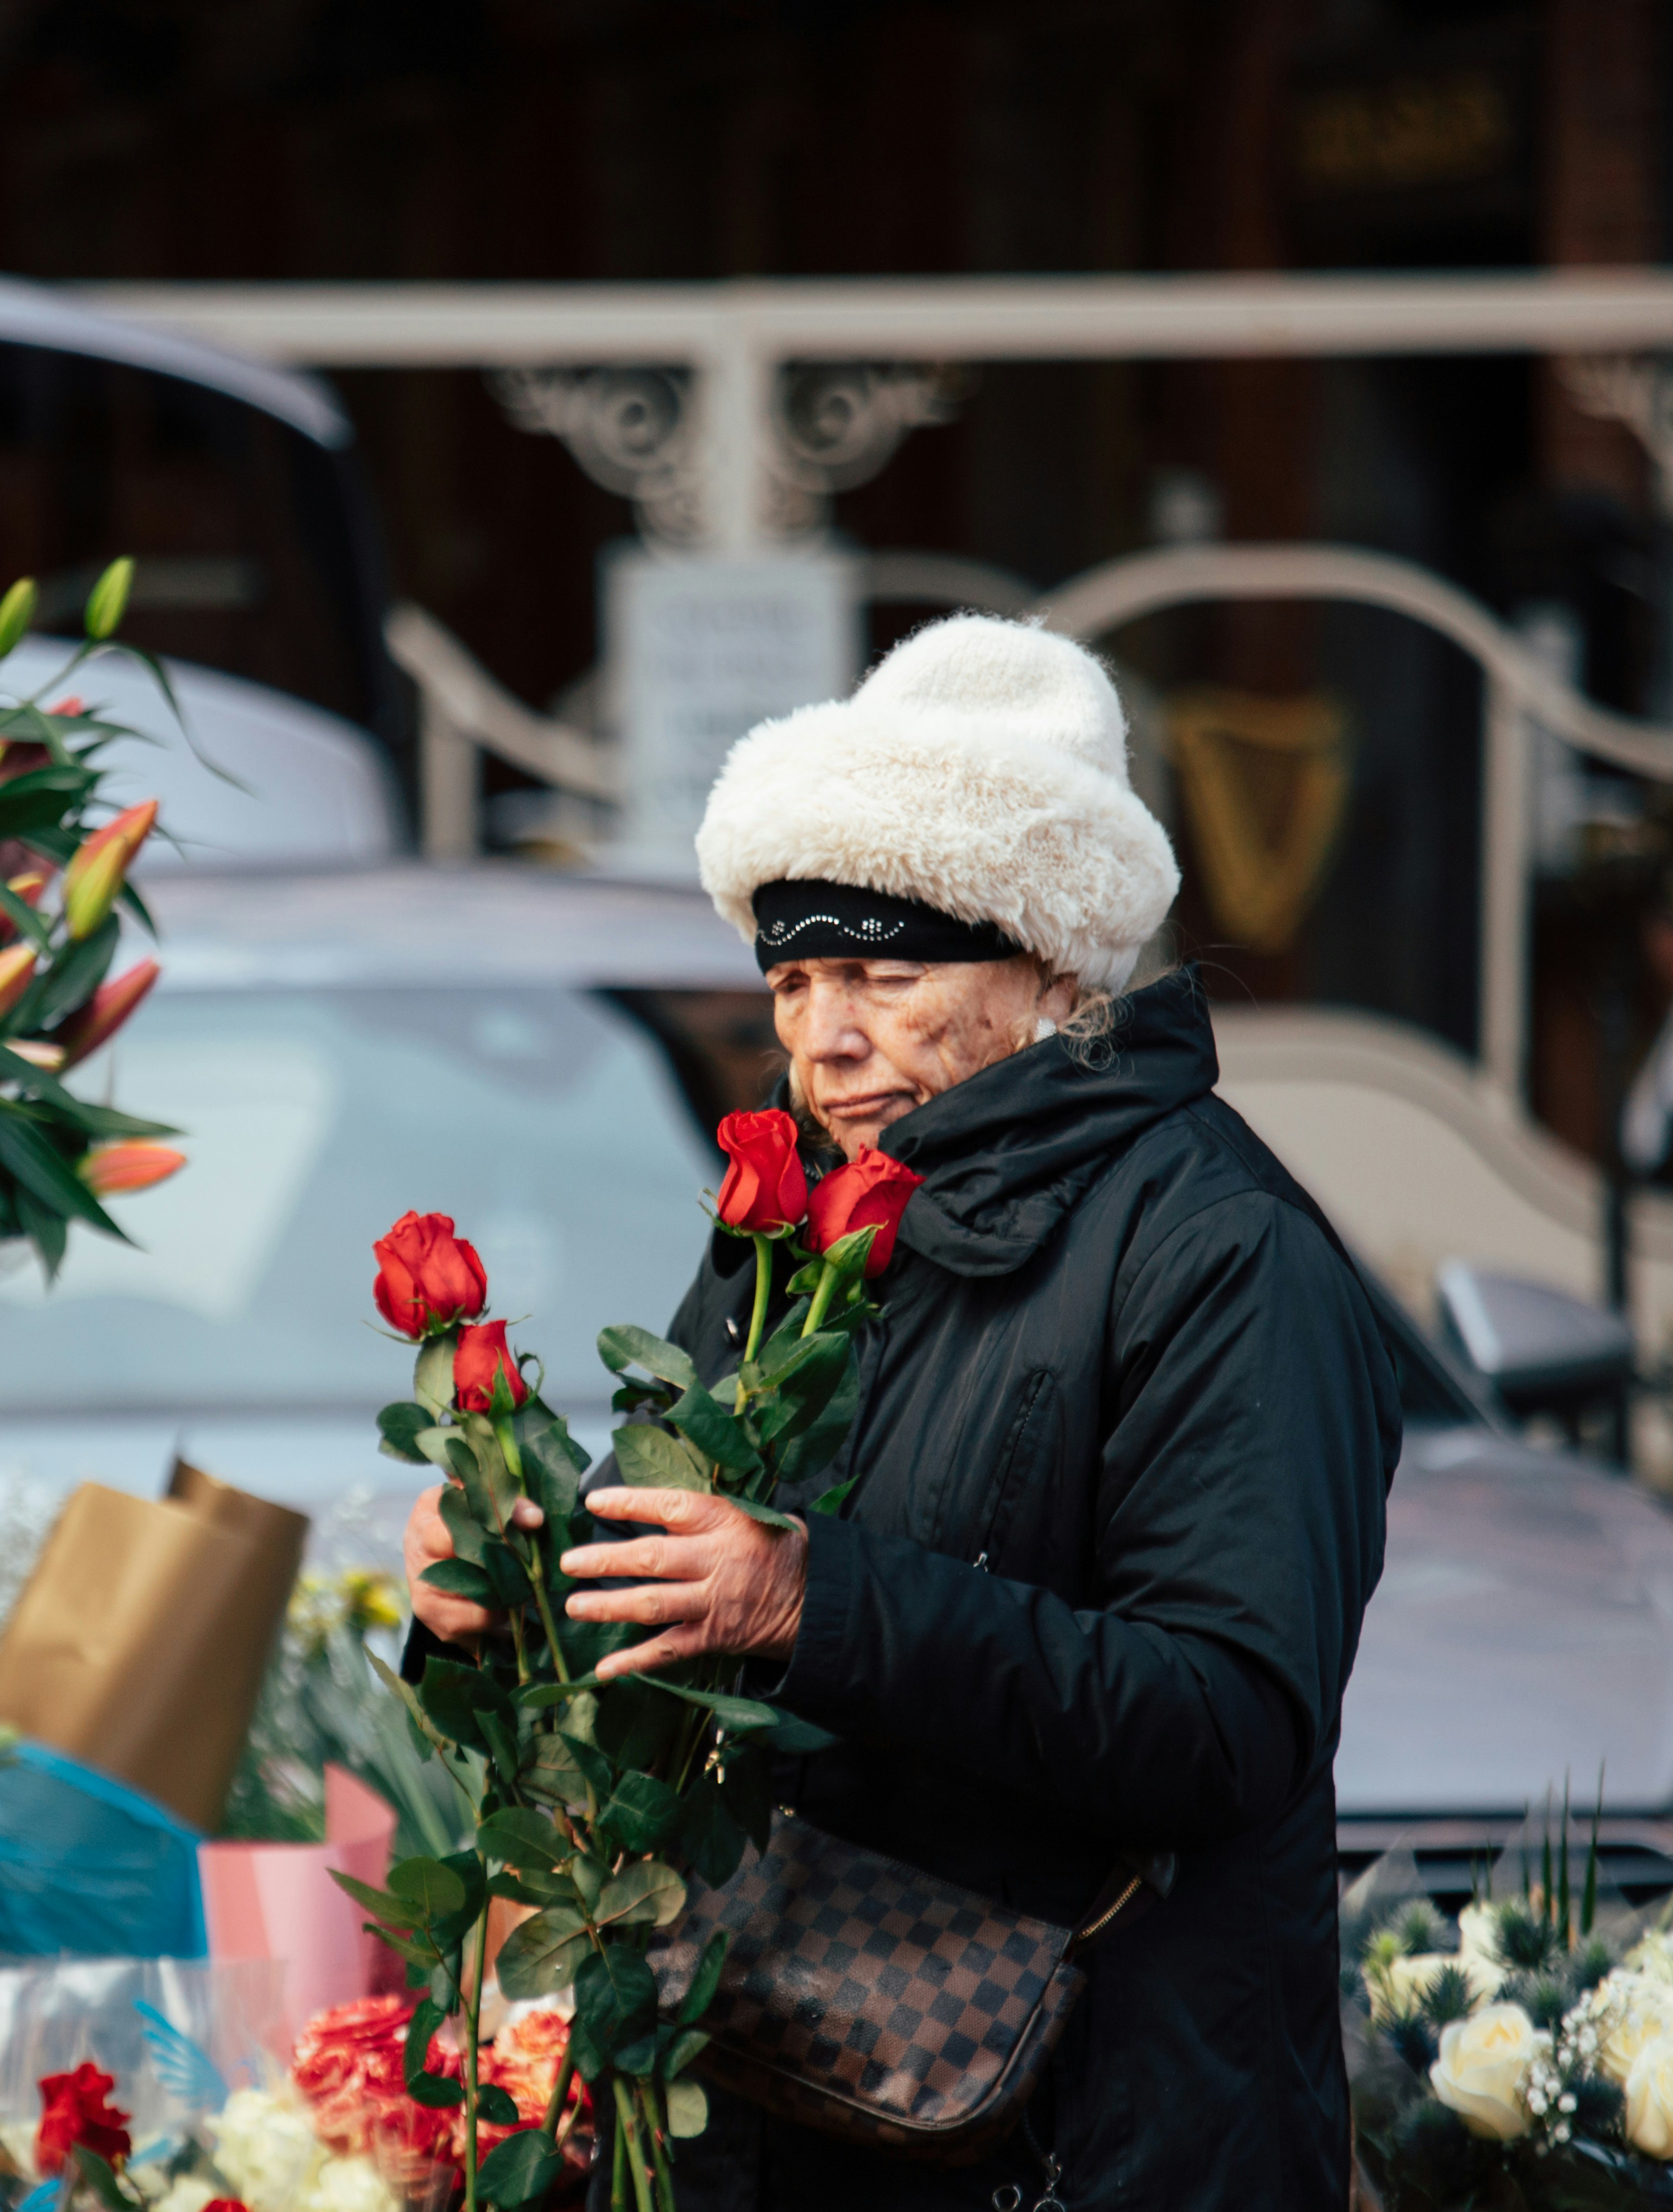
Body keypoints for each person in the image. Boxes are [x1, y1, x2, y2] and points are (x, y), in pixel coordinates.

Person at [401, 615, 1401, 2211]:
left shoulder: (1223, 1249)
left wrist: (813, 1598)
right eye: (793, 979)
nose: (822, 1035)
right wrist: (511, 1600)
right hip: (795, 2103)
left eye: (882, 972)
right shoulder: (798, 1228)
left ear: (1051, 967)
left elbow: (1228, 1723)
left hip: (1092, 2143)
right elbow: (679, 1617)